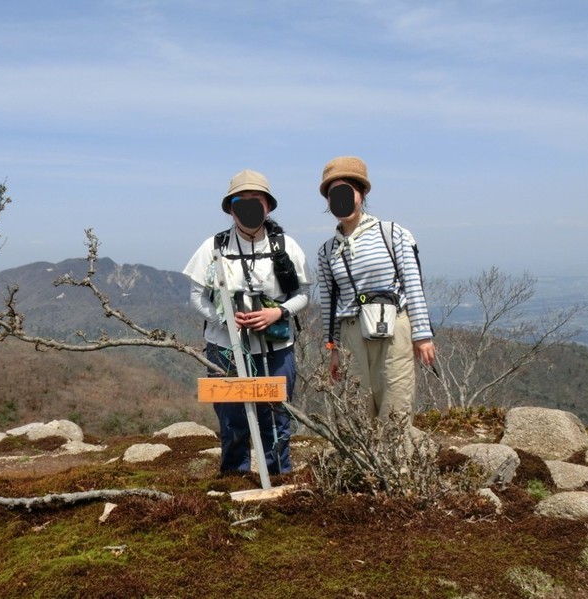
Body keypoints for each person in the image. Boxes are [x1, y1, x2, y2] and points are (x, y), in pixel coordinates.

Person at [183, 169, 311, 475]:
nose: (251, 207)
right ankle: (234, 478)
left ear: (268, 206)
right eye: (242, 201)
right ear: (231, 208)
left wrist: (277, 312)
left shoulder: (285, 247)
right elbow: (197, 296)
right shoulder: (214, 247)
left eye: (258, 201)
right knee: (232, 420)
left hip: (276, 348)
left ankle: (279, 479)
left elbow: (303, 294)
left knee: (276, 418)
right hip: (225, 348)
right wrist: (223, 319)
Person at [316, 156, 435, 422]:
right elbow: (330, 304)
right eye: (334, 194)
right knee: (356, 410)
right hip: (350, 333)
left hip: (394, 327)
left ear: (362, 193)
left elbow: (413, 284)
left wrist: (423, 334)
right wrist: (333, 349)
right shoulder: (327, 251)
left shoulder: (393, 234)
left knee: (396, 404)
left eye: (347, 191)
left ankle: (397, 465)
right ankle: (361, 465)